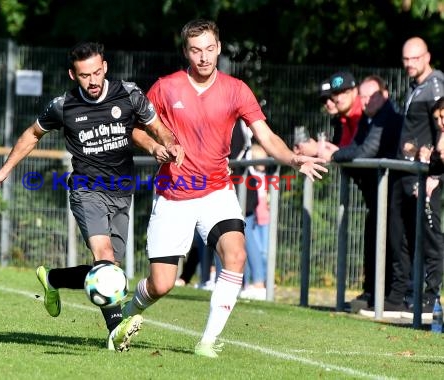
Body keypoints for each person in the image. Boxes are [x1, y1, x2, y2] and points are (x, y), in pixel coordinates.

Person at [121, 19, 327, 358]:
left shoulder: (236, 89)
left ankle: (207, 342)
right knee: (162, 283)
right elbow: (138, 129)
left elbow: (264, 134)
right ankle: (129, 310)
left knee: (237, 254)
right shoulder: (166, 87)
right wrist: (154, 147)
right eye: (196, 50)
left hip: (217, 191)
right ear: (186, 52)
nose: (203, 57)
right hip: (174, 195)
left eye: (209, 49)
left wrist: (292, 159)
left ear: (218, 48)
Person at [0, 42, 184, 352]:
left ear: (104, 66)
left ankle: (53, 278)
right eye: (84, 75)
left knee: (110, 270)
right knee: (105, 258)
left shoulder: (129, 94)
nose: (92, 81)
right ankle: (117, 330)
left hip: (122, 191)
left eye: (96, 72)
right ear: (72, 75)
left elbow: (156, 128)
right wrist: (3, 171)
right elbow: (31, 135)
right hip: (86, 190)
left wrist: (166, 146)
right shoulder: (63, 106)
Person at [319, 75, 403, 312]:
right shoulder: (365, 118)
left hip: (392, 189)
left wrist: (332, 154)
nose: (332, 101)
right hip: (377, 191)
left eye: (341, 94)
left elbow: (365, 150)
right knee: (375, 238)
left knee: (395, 243)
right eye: (330, 97)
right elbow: (355, 148)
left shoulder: (374, 118)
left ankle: (396, 296)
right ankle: (374, 292)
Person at [384, 37, 444, 316]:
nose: (409, 64)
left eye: (415, 58)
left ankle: (431, 300)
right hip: (406, 172)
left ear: (427, 57)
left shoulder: (435, 86)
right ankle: (403, 296)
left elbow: (440, 130)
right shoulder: (415, 87)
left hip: (427, 176)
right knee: (402, 237)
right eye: (405, 59)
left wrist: (435, 172)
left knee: (431, 238)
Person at [239, 143, 272, 301]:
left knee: (258, 250)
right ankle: (250, 283)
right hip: (255, 215)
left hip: (259, 217)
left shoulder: (256, 176)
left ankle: (260, 282)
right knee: (248, 247)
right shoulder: (251, 173)